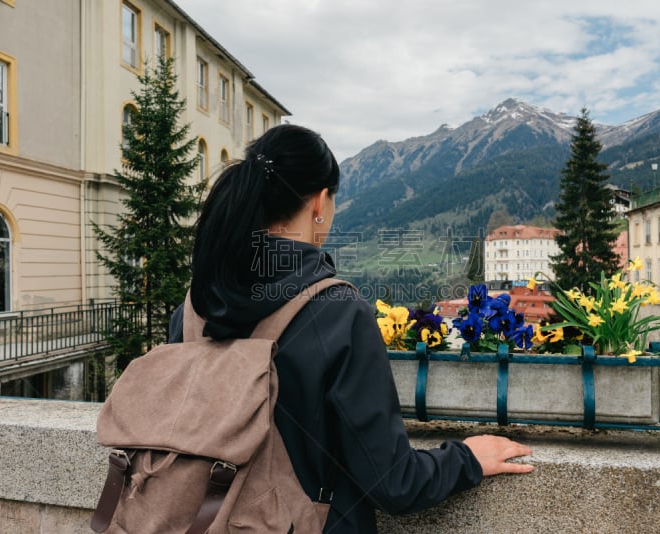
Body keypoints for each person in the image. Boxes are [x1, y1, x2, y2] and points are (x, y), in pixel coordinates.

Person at [168, 124, 533, 532]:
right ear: (321, 202)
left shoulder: (191, 311)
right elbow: (394, 483)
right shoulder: (338, 313)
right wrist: (467, 458)